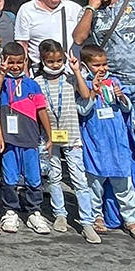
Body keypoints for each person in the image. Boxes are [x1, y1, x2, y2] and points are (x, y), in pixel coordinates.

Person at [76, 44, 135, 241]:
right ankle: (97, 216)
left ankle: (131, 220)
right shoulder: (83, 84)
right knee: (95, 184)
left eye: (104, 64)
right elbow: (82, 110)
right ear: (86, 65)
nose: (102, 69)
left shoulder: (114, 81)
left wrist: (121, 97)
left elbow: (126, 110)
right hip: (95, 141)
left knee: (124, 183)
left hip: (117, 142)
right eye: (97, 65)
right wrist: (93, 93)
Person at [34, 40, 98, 243]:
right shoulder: (37, 82)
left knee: (79, 179)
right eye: (51, 61)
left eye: (59, 60)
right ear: (42, 60)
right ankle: (59, 213)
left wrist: (76, 70)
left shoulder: (70, 79)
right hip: (49, 138)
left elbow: (86, 95)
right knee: (54, 176)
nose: (55, 64)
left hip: (71, 135)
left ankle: (87, 221)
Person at [72, 0, 135, 121]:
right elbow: (78, 39)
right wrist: (91, 8)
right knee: (118, 130)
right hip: (109, 83)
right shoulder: (88, 12)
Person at [0, 41, 52, 235]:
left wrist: (49, 136)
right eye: (11, 63)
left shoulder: (32, 84)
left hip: (30, 138)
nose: (15, 66)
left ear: (25, 61)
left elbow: (41, 111)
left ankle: (34, 212)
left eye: (19, 62)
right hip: (8, 140)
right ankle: (10, 211)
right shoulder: (1, 82)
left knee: (34, 177)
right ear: (3, 61)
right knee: (9, 177)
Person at [14, 0, 82, 66]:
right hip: (39, 72)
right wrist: (25, 75)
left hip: (70, 70)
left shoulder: (73, 8)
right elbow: (22, 45)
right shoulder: (26, 10)